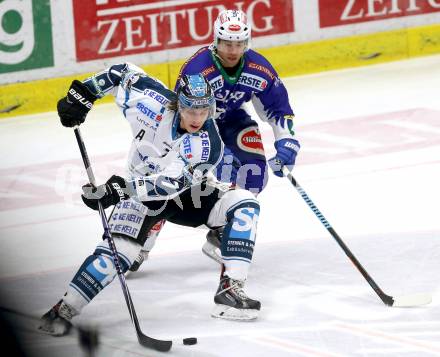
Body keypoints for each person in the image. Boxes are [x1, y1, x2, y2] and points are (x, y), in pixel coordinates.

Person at [38, 64, 262, 337]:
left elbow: (170, 186)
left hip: (186, 195)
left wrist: (120, 191)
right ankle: (64, 309)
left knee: (244, 203)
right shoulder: (150, 101)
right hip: (139, 192)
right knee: (118, 254)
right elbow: (120, 72)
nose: (197, 117)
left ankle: (230, 288)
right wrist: (85, 93)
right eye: (191, 109)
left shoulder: (208, 144)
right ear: (178, 103)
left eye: (204, 110)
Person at [133, 9, 301, 268]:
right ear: (215, 40)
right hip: (196, 127)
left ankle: (220, 232)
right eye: (226, 43)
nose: (233, 51)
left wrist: (286, 141)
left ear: (247, 42)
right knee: (181, 180)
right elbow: (181, 115)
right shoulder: (197, 70)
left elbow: (278, 108)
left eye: (239, 44)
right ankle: (146, 235)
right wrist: (216, 152)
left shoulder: (259, 68)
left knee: (253, 175)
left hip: (234, 120)